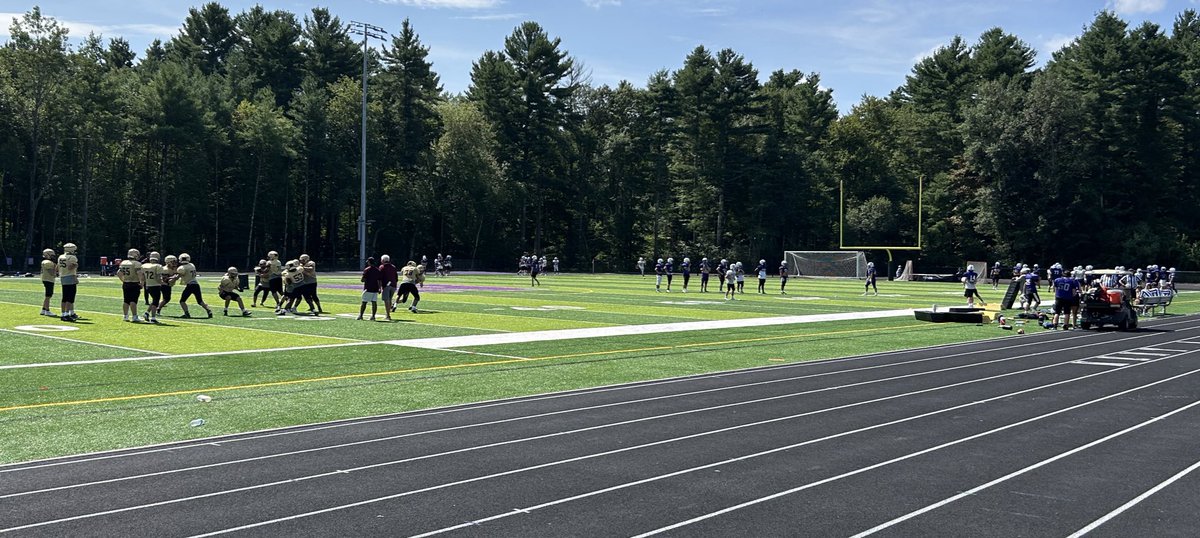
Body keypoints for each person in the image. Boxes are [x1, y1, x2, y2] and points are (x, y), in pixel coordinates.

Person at [175, 253, 213, 319]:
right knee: (200, 301)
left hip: (190, 285)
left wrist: (170, 278)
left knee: (182, 301)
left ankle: (186, 313)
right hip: (196, 284)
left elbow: (177, 277)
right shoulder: (192, 265)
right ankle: (209, 310)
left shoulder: (181, 268)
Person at [117, 249, 143, 323]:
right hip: (134, 283)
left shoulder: (124, 262)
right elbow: (139, 273)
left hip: (126, 283)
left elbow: (119, 273)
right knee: (133, 301)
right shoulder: (137, 263)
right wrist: (142, 282)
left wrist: (123, 280)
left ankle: (125, 316)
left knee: (126, 300)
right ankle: (134, 316)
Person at [140, 252, 165, 323]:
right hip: (155, 285)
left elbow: (142, 277)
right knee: (155, 302)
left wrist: (142, 283)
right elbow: (158, 278)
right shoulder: (158, 266)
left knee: (154, 300)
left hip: (148, 285)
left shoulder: (144, 266)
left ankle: (146, 313)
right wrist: (163, 283)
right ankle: (153, 318)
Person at [57, 243, 79, 321]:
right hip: (70, 277)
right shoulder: (72, 257)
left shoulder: (60, 257)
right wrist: (75, 265)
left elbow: (58, 267)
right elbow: (70, 267)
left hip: (63, 276)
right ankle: (66, 314)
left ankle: (63, 313)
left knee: (64, 297)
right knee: (70, 298)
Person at [379, 254, 398, 321]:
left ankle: (388, 315)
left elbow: (380, 278)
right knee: (389, 299)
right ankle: (388, 314)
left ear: (383, 260)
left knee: (386, 300)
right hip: (393, 285)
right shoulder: (393, 267)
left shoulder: (382, 267)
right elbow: (396, 277)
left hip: (386, 285)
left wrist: (379, 287)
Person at [40, 248, 57, 317]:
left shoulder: (47, 262)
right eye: (51, 255)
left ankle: (43, 309)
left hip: (46, 279)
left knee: (48, 295)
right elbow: (51, 272)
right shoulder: (47, 262)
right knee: (48, 296)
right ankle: (47, 310)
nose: (53, 256)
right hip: (48, 279)